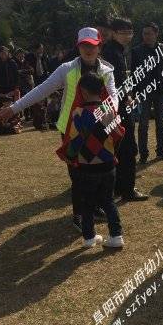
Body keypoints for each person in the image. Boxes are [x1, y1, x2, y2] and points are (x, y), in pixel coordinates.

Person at [0, 27, 118, 231]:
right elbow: (42, 90)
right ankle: (79, 215)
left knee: (97, 168)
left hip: (98, 129)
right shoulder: (66, 69)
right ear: (78, 47)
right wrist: (14, 108)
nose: (88, 49)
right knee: (77, 173)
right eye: (84, 45)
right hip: (71, 130)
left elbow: (113, 97)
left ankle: (95, 207)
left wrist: (106, 114)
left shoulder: (107, 71)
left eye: (92, 46)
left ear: (99, 47)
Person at [58, 72, 125, 247]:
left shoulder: (78, 113)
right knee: (109, 201)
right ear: (101, 89)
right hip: (108, 165)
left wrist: (70, 157)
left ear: (83, 91)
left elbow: (74, 142)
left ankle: (89, 238)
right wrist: (111, 152)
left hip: (86, 167)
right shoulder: (108, 110)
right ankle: (116, 236)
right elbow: (118, 134)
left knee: (87, 203)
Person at [102, 17, 148, 201]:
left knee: (119, 147)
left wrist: (127, 95)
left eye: (130, 32)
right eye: (123, 32)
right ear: (113, 33)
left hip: (117, 104)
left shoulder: (116, 50)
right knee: (127, 148)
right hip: (117, 107)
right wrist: (125, 98)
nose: (128, 36)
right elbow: (113, 82)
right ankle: (127, 189)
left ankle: (119, 187)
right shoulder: (111, 52)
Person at [132, 22, 163, 163]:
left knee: (161, 122)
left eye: (149, 33)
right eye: (144, 34)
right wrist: (134, 93)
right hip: (143, 92)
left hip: (161, 91)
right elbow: (134, 74)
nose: (146, 36)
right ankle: (143, 154)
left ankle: (161, 150)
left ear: (156, 34)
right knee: (143, 124)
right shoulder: (136, 51)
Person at [26, 42, 51, 130]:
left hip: (43, 79)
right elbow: (27, 66)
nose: (42, 50)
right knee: (35, 98)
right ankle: (35, 116)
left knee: (44, 98)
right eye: (40, 49)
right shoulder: (30, 57)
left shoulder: (44, 56)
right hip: (34, 80)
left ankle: (44, 117)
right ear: (36, 49)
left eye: (42, 49)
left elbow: (47, 66)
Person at [0, 46, 20, 111]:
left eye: (5, 52)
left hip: (11, 88)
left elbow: (16, 76)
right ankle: (1, 117)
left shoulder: (12, 63)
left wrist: (16, 87)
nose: (3, 54)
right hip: (0, 88)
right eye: (1, 52)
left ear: (7, 53)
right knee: (1, 106)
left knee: (12, 106)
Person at [14, 48, 35, 121]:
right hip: (18, 84)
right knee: (18, 100)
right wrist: (24, 72)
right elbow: (16, 72)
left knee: (27, 99)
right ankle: (19, 115)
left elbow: (32, 71)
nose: (21, 56)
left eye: (22, 54)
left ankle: (27, 115)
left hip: (27, 84)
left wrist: (22, 71)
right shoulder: (14, 63)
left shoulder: (26, 62)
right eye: (19, 54)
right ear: (16, 55)